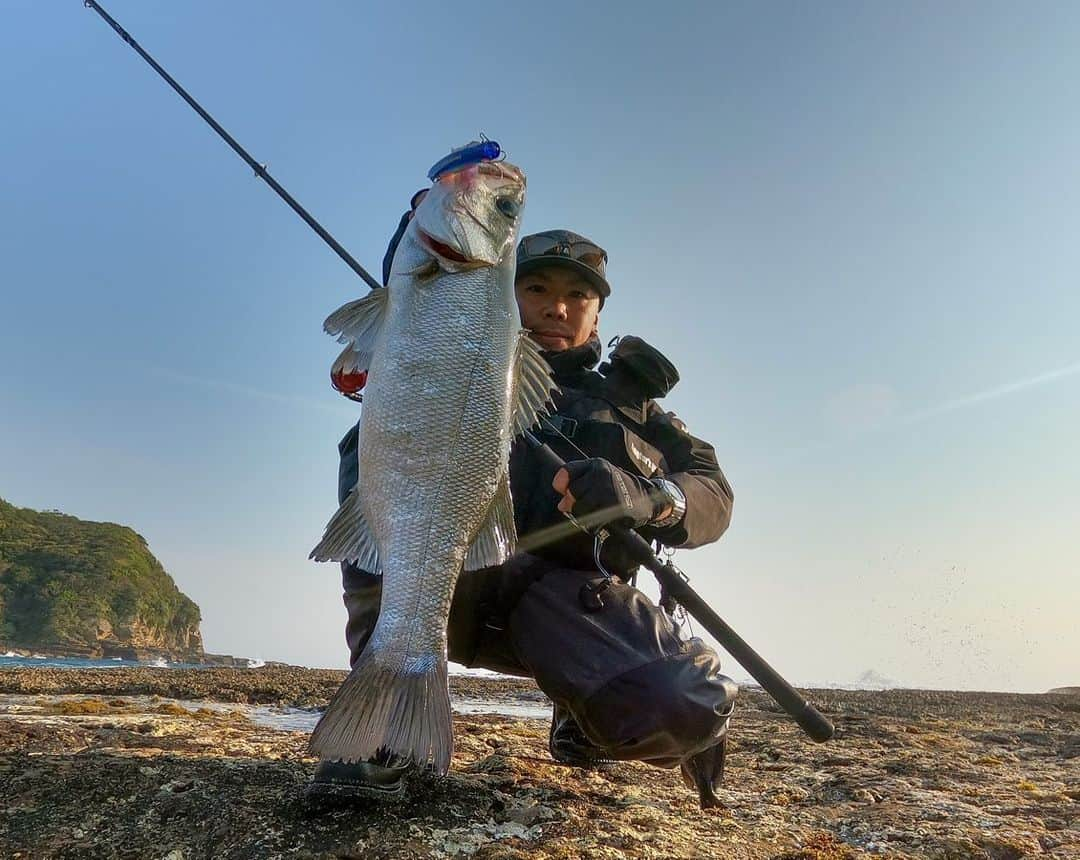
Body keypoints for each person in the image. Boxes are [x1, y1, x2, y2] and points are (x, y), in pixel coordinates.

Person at [310, 205, 738, 809]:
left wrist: (650, 497)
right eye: (535, 287)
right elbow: (412, 292)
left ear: (597, 311)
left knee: (679, 703)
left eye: (577, 295)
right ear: (503, 292)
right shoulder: (455, 352)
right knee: (388, 479)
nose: (555, 307)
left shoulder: (639, 410)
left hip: (563, 609)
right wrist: (433, 222)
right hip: (447, 580)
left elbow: (713, 491)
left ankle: (585, 705)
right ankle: (384, 726)